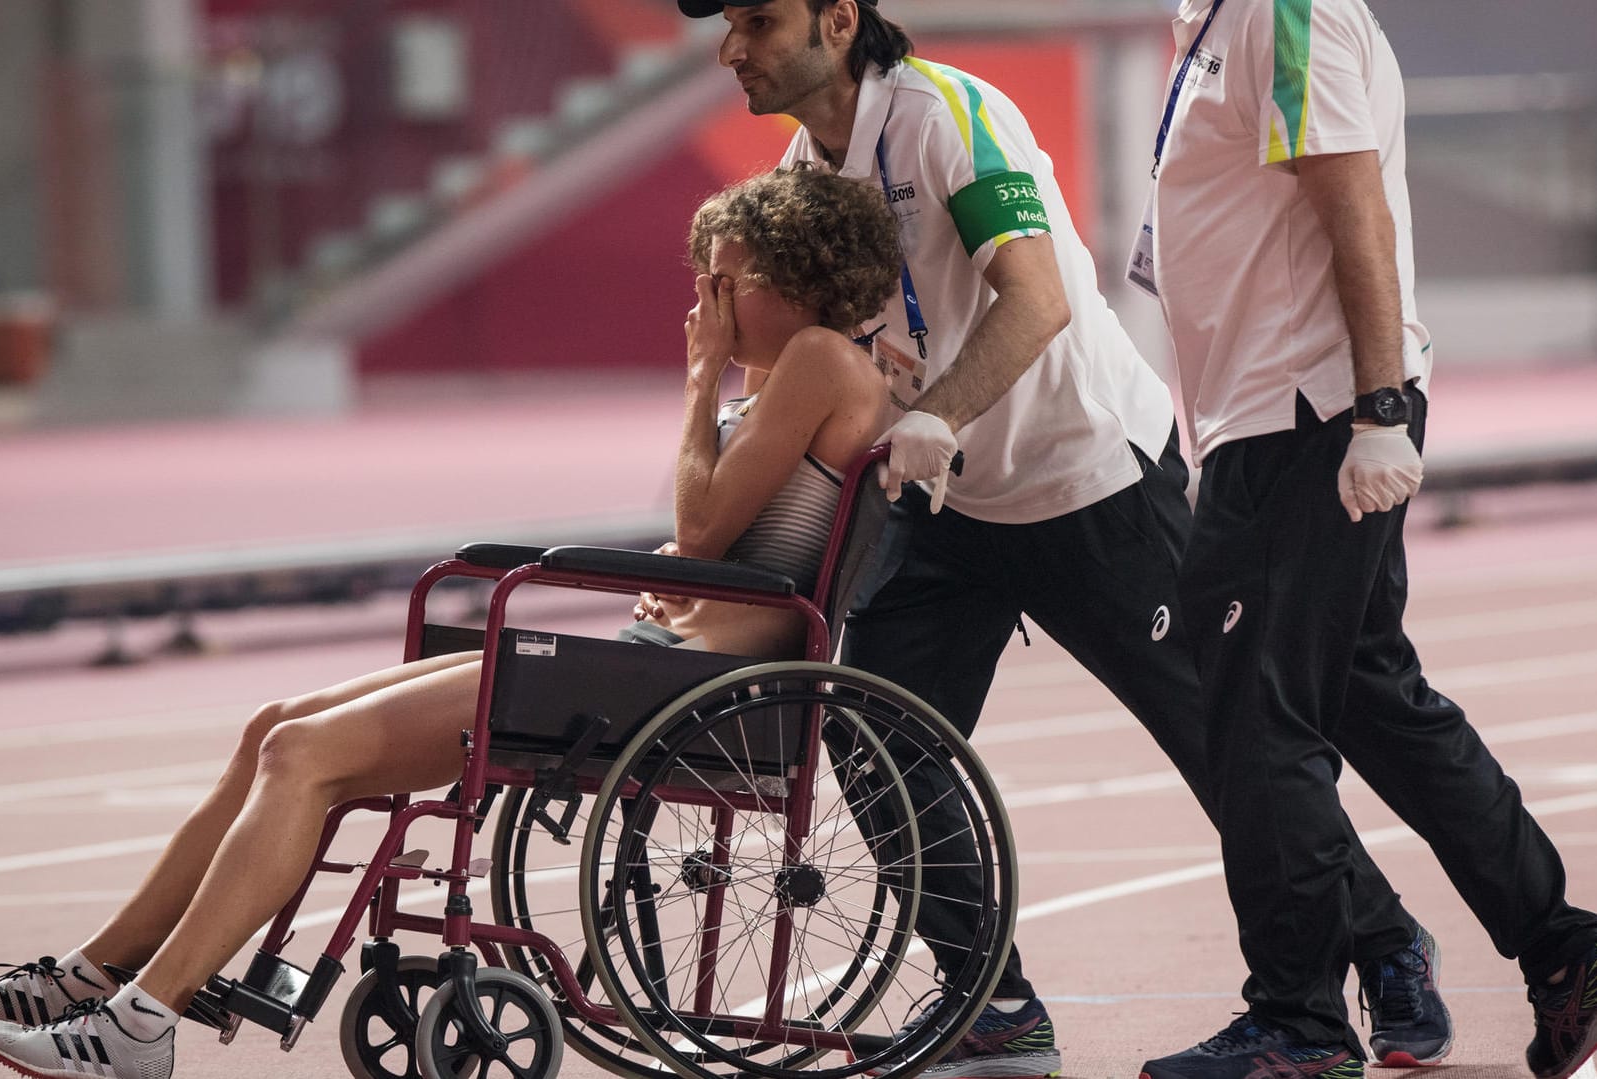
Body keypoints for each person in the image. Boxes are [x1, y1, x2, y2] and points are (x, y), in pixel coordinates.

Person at [670, 2, 1457, 1077]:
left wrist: (936, 410)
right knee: (870, 737)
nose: (732, 49)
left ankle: (1384, 938)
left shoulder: (952, 113)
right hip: (944, 501)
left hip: (1085, 477)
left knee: (1226, 746)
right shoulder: (807, 163)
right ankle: (990, 1000)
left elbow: (1033, 300)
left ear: (839, 18)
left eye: (757, 20)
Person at [0, 167, 900, 1079]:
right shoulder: (793, 373)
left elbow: (701, 525)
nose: (707, 301)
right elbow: (719, 540)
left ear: (797, 280)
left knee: (301, 755)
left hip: (679, 685)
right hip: (664, 658)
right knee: (275, 726)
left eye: (727, 281)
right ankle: (89, 978)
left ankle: (138, 1026)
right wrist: (683, 566)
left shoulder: (821, 359)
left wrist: (698, 384)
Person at [1133, 1, 1597, 1077]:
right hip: (1271, 416)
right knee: (1364, 692)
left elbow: (1354, 207)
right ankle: (1562, 943)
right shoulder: (1207, 21)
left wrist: (1378, 408)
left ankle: (1297, 1023)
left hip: (1308, 411)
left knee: (1259, 716)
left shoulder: (1282, 11)